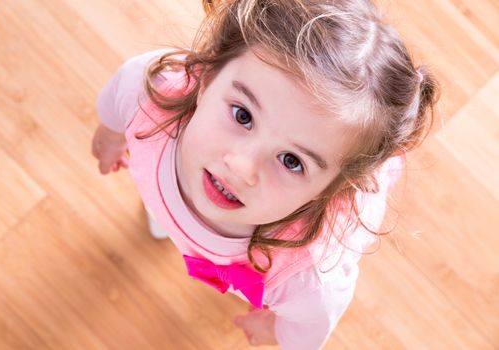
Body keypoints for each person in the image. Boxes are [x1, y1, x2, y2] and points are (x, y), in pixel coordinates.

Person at [91, 0, 439, 348]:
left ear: (333, 189)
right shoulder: (151, 96)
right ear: (207, 77)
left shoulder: (308, 278)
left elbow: (311, 326)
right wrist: (113, 131)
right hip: (164, 183)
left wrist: (278, 330)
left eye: (291, 160)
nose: (242, 167)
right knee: (165, 207)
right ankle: (166, 216)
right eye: (242, 115)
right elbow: (126, 84)